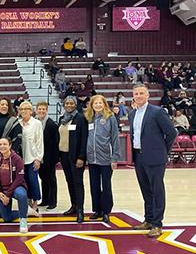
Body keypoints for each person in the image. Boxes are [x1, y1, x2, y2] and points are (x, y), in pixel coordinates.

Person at [128, 84, 178, 237]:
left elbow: (171, 133)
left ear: (148, 95)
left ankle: (157, 224)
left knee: (157, 190)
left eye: (142, 93)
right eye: (136, 93)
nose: (138, 96)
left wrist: (163, 150)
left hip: (155, 157)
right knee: (146, 190)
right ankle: (148, 219)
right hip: (139, 156)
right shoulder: (132, 114)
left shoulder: (157, 112)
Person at [85, 95, 120, 223]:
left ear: (104, 104)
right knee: (94, 185)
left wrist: (115, 157)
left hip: (106, 158)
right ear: (92, 105)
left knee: (106, 186)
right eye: (95, 103)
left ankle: (106, 211)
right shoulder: (88, 118)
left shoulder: (110, 118)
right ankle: (97, 210)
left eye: (100, 103)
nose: (98, 105)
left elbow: (115, 138)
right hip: (92, 158)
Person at [58, 96, 88, 223]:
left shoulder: (80, 118)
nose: (69, 105)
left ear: (75, 105)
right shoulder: (62, 119)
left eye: (71, 103)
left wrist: (81, 157)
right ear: (64, 105)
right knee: (69, 181)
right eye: (67, 103)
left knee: (78, 182)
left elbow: (84, 139)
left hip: (76, 157)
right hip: (64, 155)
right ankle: (74, 206)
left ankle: (80, 210)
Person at [0, 138, 28, 233]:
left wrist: (8, 194)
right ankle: (25, 211)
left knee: (22, 195)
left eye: (5, 144)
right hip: (2, 190)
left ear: (10, 146)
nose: (2, 146)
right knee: (6, 218)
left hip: (16, 188)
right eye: (0, 144)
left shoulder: (17, 159)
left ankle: (23, 220)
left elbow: (19, 179)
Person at [18, 101, 44, 216]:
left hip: (32, 157)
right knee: (24, 181)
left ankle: (35, 203)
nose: (23, 111)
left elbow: (39, 142)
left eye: (26, 109)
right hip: (20, 158)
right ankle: (27, 202)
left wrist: (38, 158)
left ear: (31, 110)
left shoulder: (36, 123)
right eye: (21, 109)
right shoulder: (18, 123)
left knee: (33, 180)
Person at [36, 102, 59, 210]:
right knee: (43, 178)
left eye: (43, 109)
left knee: (51, 179)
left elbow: (55, 143)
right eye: (39, 109)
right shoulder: (35, 122)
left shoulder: (51, 124)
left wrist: (54, 159)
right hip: (39, 157)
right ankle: (45, 200)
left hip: (49, 157)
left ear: (46, 110)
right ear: (36, 110)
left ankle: (53, 201)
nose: (41, 111)